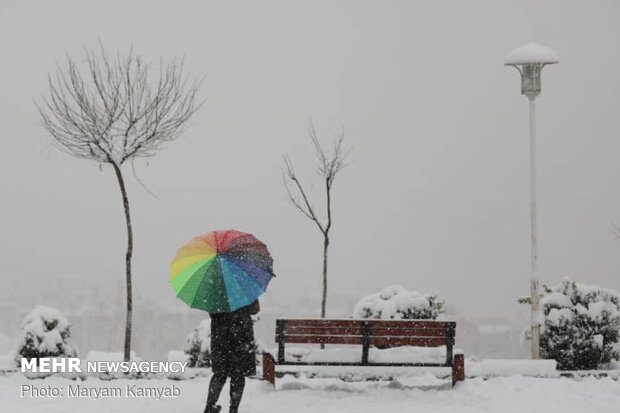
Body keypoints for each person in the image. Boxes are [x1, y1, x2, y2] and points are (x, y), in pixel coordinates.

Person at [204, 299, 260, 413]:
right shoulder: (243, 286)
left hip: (220, 336)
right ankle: (234, 408)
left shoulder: (215, 289)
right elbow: (255, 310)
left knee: (219, 374)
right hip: (240, 337)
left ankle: (210, 406)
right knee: (238, 375)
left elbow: (211, 312)